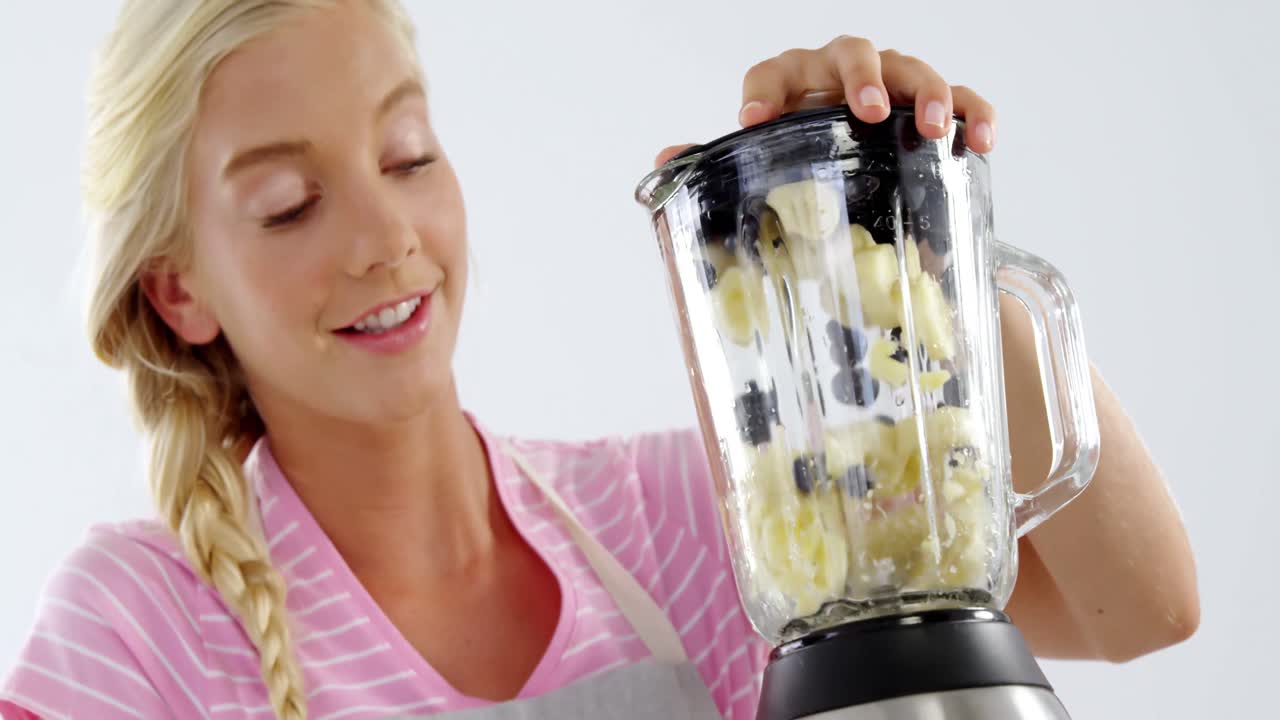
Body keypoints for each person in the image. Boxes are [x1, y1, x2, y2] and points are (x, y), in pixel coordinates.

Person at [0, 1, 1200, 718]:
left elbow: (1137, 605)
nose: (386, 238)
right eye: (287, 204)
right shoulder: (142, 629)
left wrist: (907, 217)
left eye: (407, 154)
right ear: (177, 287)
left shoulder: (681, 524)